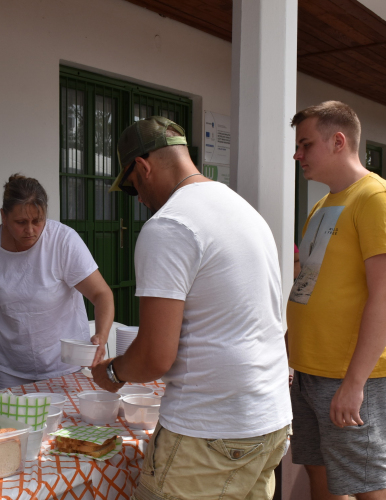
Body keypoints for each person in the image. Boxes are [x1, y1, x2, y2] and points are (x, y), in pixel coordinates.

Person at [91, 116, 292, 500]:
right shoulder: (243, 210)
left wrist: (112, 373)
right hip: (268, 419)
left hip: (209, 430)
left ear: (143, 167)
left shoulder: (169, 226)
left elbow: (155, 356)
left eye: (134, 189)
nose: (141, 201)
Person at [287, 101, 386, 499]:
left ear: (338, 141)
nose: (297, 154)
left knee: (366, 483)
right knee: (320, 473)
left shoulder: (377, 198)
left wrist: (354, 383)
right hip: (309, 368)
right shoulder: (324, 204)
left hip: (352, 374)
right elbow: (310, 282)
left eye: (305, 144)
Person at [0, 174, 114, 391]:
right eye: (21, 222)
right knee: (8, 423)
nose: (31, 230)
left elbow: (102, 295)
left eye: (38, 221)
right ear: (3, 217)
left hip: (62, 365)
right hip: (9, 365)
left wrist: (101, 335)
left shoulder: (63, 241)